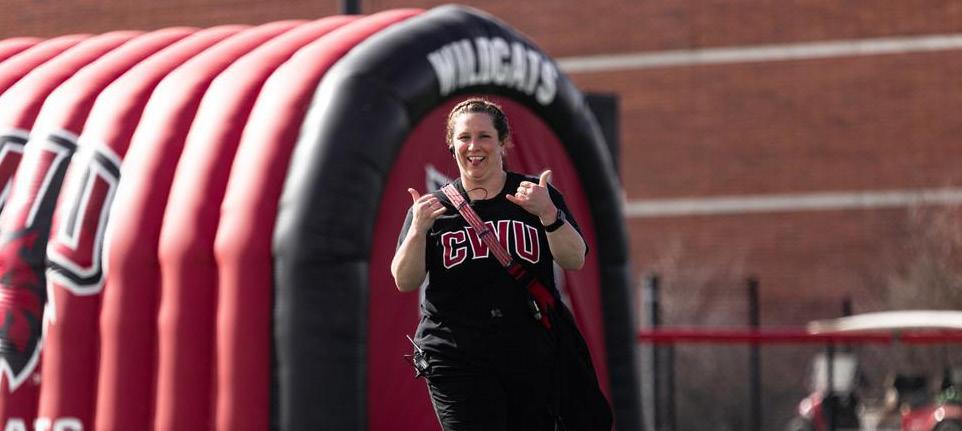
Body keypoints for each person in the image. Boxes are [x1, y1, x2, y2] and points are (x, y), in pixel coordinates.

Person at [391, 98, 589, 430]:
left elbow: (574, 259)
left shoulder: (535, 196)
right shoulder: (431, 209)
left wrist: (548, 214)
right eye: (464, 137)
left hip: (527, 350)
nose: (474, 146)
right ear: (452, 145)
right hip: (455, 353)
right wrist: (418, 230)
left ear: (503, 142)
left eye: (484, 136)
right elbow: (404, 280)